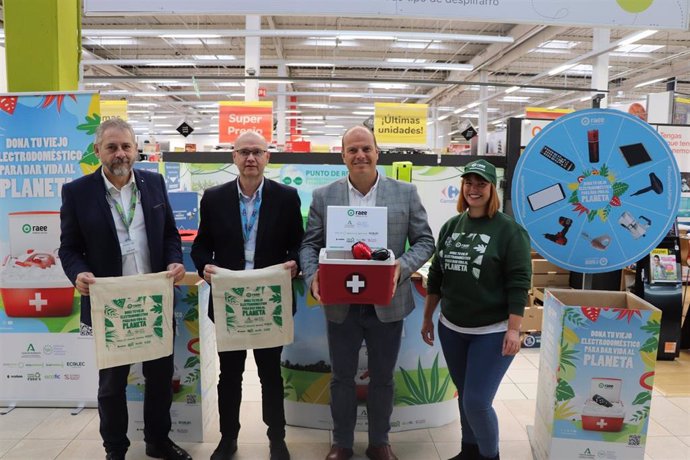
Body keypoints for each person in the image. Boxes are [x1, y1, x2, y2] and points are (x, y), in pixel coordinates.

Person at [58, 118, 191, 460]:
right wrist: (79, 273)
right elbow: (69, 248)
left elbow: (169, 236)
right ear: (97, 150)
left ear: (136, 149)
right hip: (109, 302)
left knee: (159, 377)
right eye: (112, 147)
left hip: (153, 299)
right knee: (112, 382)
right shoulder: (77, 192)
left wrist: (175, 262)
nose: (120, 154)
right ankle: (115, 447)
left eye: (126, 147)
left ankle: (158, 442)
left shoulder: (154, 183)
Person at [300, 126, 435, 460]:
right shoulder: (323, 196)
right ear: (343, 155)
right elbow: (310, 244)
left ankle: (379, 442)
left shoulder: (405, 193)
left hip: (387, 303)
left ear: (378, 152)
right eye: (352, 150)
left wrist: (399, 269)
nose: (360, 155)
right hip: (341, 304)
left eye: (366, 149)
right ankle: (342, 443)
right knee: (342, 377)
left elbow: (425, 241)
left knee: (383, 378)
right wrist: (313, 276)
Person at [191, 131, 304, 460]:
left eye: (257, 152)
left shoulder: (287, 197)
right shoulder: (214, 198)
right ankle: (228, 439)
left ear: (268, 157)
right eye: (244, 152)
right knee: (230, 374)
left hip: (270, 302)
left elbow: (298, 241)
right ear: (234, 157)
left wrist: (295, 261)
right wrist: (204, 267)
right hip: (230, 303)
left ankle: (276, 438)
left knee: (271, 373)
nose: (251, 158)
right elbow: (201, 244)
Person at [420, 159, 531, 460]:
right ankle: (469, 451)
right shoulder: (451, 226)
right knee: (464, 394)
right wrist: (428, 317)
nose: (473, 188)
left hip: (492, 331)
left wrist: (514, 329)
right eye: (469, 183)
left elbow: (519, 282)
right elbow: (437, 278)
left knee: (477, 401)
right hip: (452, 328)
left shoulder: (509, 231)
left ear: (492, 188)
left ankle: (489, 455)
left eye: (481, 183)